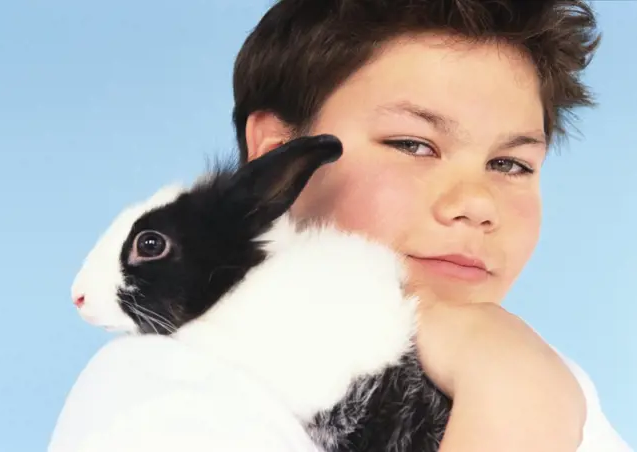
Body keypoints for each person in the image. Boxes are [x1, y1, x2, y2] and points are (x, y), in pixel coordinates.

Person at [49, 0, 632, 451]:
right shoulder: (160, 385)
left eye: (510, 164)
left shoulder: (546, 374)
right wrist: (511, 391)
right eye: (414, 144)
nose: (477, 203)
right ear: (280, 157)